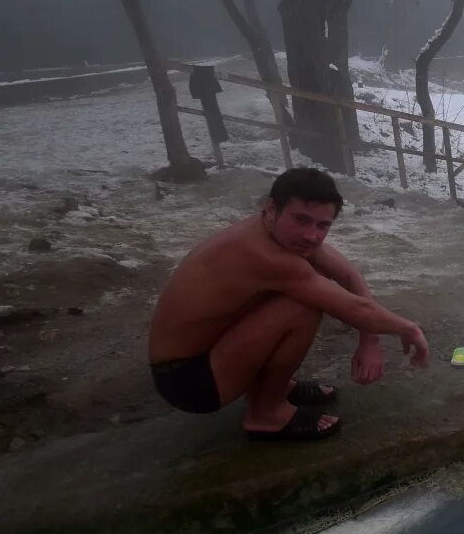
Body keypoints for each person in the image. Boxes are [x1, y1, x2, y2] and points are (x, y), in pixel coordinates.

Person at [147, 168, 430, 442]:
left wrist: (370, 341)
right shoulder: (260, 252)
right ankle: (267, 414)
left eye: (323, 225)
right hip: (189, 381)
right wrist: (408, 329)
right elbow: (355, 310)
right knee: (302, 304)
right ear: (272, 208)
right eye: (301, 220)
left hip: (210, 353)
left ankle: (274, 388)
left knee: (305, 287)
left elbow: (348, 274)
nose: (312, 235)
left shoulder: (277, 232)